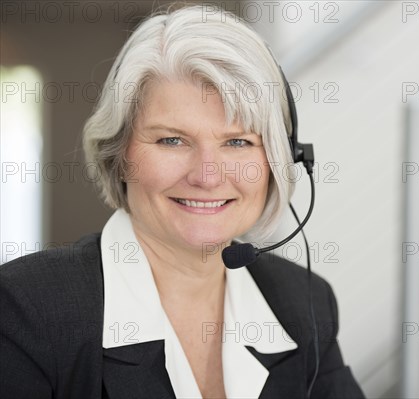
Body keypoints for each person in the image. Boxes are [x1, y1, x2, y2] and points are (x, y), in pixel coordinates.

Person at [0, 4, 364, 399]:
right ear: (119, 155)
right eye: (172, 140)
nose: (207, 175)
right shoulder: (28, 308)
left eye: (238, 141)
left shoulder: (303, 302)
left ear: (279, 158)